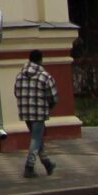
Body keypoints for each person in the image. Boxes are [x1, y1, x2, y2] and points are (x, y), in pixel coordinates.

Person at [15, 49, 58, 179]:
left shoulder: (20, 75)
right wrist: (50, 104)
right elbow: (53, 96)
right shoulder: (44, 75)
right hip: (39, 112)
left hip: (25, 111)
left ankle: (47, 163)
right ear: (40, 60)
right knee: (35, 139)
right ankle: (29, 167)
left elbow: (16, 92)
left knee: (37, 138)